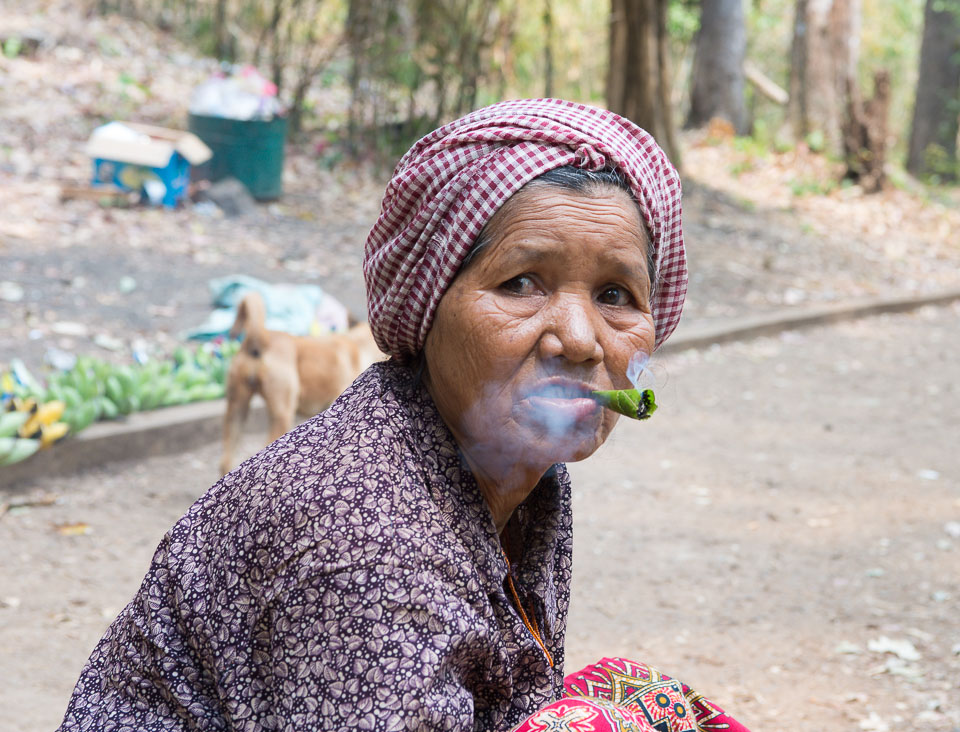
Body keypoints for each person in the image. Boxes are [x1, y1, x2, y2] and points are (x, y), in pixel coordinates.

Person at [59, 99, 748, 732]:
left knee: (636, 698)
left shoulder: (514, 468)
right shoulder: (358, 535)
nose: (579, 336)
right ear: (429, 307)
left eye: (616, 295)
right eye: (521, 283)